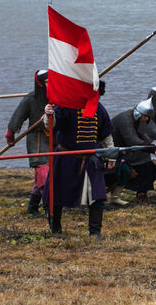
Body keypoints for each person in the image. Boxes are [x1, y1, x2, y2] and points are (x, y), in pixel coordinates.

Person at [42, 99, 114, 240]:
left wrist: (111, 154)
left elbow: (106, 134)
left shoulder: (98, 107)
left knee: (97, 195)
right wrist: (48, 114)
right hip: (65, 158)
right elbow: (50, 126)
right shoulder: (64, 105)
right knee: (55, 194)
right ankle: (55, 229)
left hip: (90, 160)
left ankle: (95, 233)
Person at [5, 69, 50, 216]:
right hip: (36, 138)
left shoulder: (57, 97)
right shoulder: (31, 99)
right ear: (41, 84)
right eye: (47, 82)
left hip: (53, 137)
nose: (51, 84)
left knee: (47, 174)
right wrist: (10, 135)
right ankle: (50, 208)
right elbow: (17, 117)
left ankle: (32, 206)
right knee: (43, 173)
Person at [110, 99, 156, 203]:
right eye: (145, 116)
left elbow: (138, 135)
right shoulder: (125, 119)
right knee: (134, 167)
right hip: (113, 150)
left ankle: (140, 194)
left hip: (124, 149)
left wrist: (150, 146)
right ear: (138, 114)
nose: (146, 119)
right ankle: (115, 196)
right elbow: (132, 140)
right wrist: (152, 148)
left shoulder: (134, 119)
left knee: (146, 163)